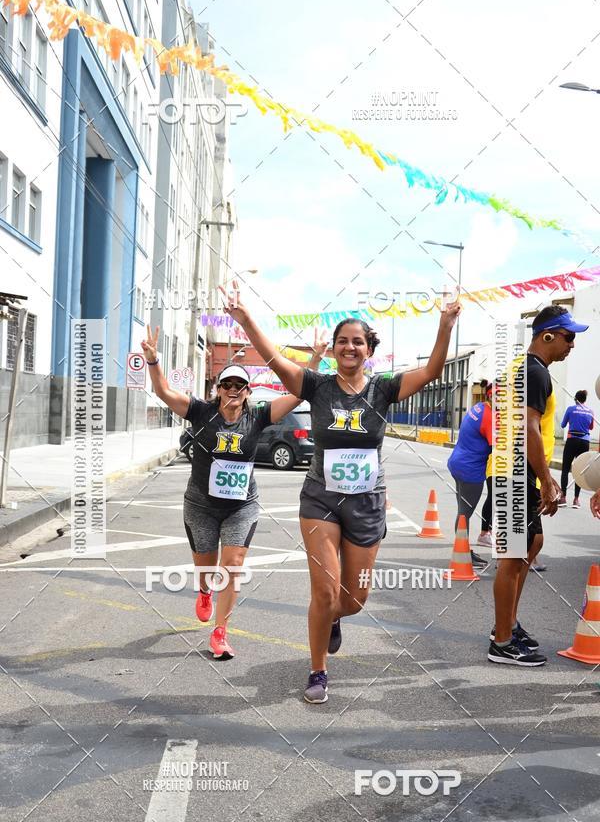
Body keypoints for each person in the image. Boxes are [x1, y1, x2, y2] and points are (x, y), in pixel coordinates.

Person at [223, 288, 461, 703]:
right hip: (320, 500)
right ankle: (317, 671)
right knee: (324, 591)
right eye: (342, 341)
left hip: (367, 502)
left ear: (369, 349)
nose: (349, 347)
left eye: (358, 341)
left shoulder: (384, 389)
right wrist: (246, 321)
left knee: (354, 598)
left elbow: (433, 372)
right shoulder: (315, 385)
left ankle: (334, 618)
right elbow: (277, 361)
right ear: (333, 349)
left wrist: (444, 325)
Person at [141, 324, 321, 659]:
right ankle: (205, 591)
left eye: (240, 385)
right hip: (201, 506)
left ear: (248, 391)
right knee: (207, 569)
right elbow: (164, 392)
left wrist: (317, 359)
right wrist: (153, 361)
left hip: (242, 506)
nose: (233, 390)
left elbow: (299, 393)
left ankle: (220, 633)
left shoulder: (258, 416)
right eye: (227, 384)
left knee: (233, 564)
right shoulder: (200, 412)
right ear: (218, 389)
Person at [488, 306, 589, 666]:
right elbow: (529, 428)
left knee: (533, 543)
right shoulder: (534, 372)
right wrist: (547, 480)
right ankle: (501, 641)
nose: (572, 345)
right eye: (568, 337)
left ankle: (508, 624)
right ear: (547, 335)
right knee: (513, 556)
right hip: (515, 471)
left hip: (514, 470)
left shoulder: (523, 368)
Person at [447, 379, 493, 568]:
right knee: (465, 512)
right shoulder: (490, 417)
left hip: (457, 463)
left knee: (462, 511)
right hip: (470, 471)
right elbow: (497, 449)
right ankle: (462, 553)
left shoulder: (479, 407)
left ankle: (462, 548)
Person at [559, 390, 595, 508]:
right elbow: (591, 427)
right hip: (585, 442)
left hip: (572, 440)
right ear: (584, 399)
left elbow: (563, 425)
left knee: (565, 468)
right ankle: (576, 500)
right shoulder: (590, 411)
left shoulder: (570, 409)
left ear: (576, 399)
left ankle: (563, 498)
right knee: (580, 470)